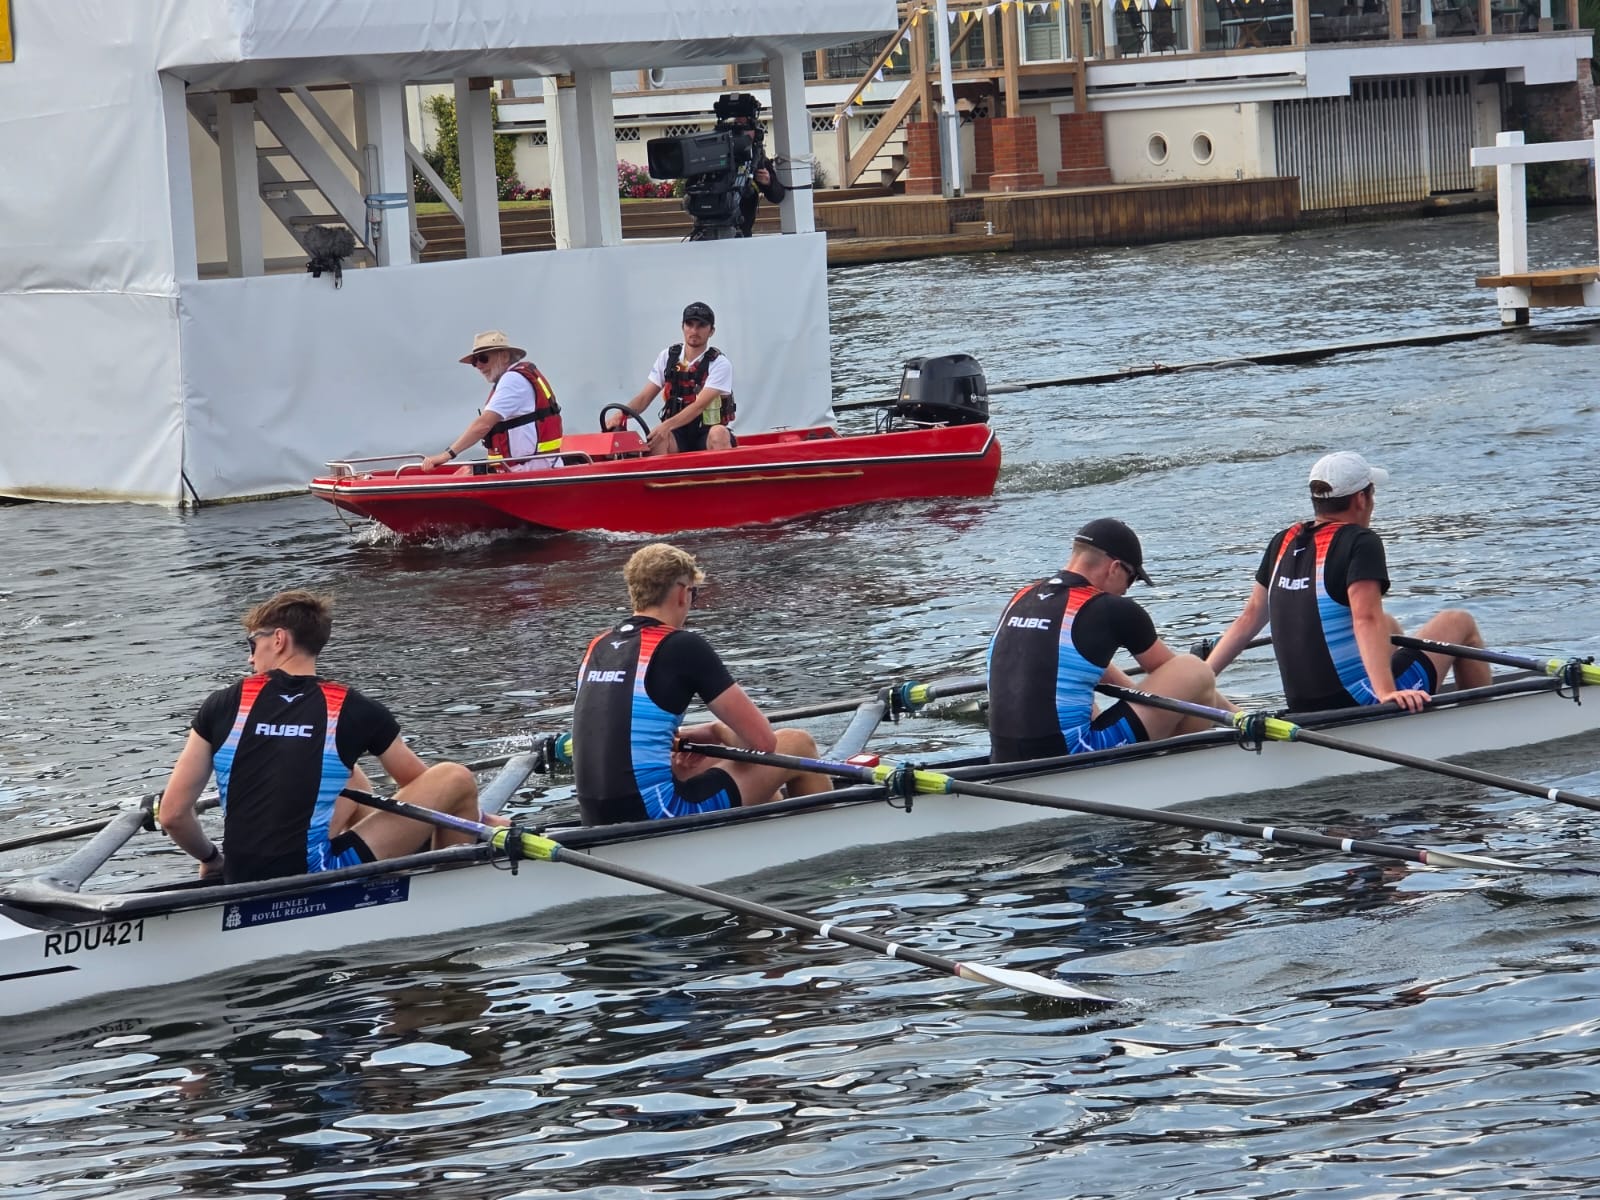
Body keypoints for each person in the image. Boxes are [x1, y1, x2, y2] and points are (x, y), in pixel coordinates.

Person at [156, 590, 488, 884]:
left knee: (352, 778)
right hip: (313, 875)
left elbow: (172, 815)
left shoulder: (222, 704)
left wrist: (213, 859)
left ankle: (407, 864)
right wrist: (480, 817)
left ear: (279, 639)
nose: (250, 657)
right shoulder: (352, 708)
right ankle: (447, 886)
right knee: (454, 778)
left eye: (252, 643)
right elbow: (422, 788)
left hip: (239, 876)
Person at [1206, 451, 1491, 713]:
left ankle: (1404, 696)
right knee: (1459, 622)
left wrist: (1203, 678)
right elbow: (1365, 618)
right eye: (1372, 493)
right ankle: (1480, 722)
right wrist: (1386, 693)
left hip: (1302, 705)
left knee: (1388, 625)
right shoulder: (1360, 541)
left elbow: (1248, 619)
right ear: (1361, 499)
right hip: (1356, 701)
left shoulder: (1283, 541)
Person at [572, 543, 829, 824]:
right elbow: (762, 742)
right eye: (695, 594)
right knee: (798, 744)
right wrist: (717, 731)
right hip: (658, 812)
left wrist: (691, 736)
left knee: (713, 765)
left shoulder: (598, 646)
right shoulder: (681, 645)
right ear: (682, 593)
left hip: (595, 816)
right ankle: (822, 840)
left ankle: (768, 826)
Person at [986, 518, 1236, 764]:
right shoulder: (1111, 608)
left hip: (1004, 756)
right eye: (1132, 578)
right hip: (1071, 754)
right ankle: (1180, 765)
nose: (1127, 589)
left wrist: (1136, 698)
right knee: (1193, 668)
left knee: (1078, 692)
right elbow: (1189, 683)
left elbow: (1082, 664)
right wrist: (1239, 717)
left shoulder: (1023, 597)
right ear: (1115, 567)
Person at [419, 330, 562, 473]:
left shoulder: (512, 380)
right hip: (534, 466)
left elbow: (483, 425)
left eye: (483, 358)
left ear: (504, 356)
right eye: (474, 362)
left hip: (531, 471)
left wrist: (446, 455)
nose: (478, 365)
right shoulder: (517, 377)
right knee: (468, 471)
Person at [607, 302, 735, 456]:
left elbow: (699, 406)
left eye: (701, 326)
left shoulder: (720, 364)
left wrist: (666, 426)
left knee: (719, 433)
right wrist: (621, 415)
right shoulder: (668, 357)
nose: (694, 331)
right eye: (690, 324)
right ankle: (657, 472)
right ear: (682, 326)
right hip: (677, 433)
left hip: (706, 432)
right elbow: (644, 398)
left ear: (711, 331)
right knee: (658, 438)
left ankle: (722, 471)